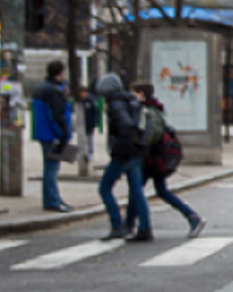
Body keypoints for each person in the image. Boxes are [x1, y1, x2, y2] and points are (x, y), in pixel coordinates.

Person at [123, 82, 205, 238]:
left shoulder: (148, 111)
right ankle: (192, 216)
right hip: (157, 157)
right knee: (159, 191)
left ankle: (129, 225)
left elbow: (151, 135)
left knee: (136, 190)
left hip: (150, 158)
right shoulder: (156, 108)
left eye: (134, 93)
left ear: (141, 94)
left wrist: (140, 145)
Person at [94, 73, 152, 241]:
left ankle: (117, 224)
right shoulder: (130, 100)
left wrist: (119, 150)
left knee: (104, 187)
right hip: (136, 151)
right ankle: (144, 227)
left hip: (124, 154)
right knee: (136, 191)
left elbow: (126, 126)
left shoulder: (115, 103)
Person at [31, 59, 73, 212]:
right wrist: (63, 134)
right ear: (60, 73)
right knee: (52, 169)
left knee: (50, 168)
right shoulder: (53, 91)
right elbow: (57, 115)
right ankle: (52, 201)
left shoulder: (42, 88)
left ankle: (54, 198)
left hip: (44, 134)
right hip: (52, 135)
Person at [78, 84, 99, 165]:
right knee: (84, 139)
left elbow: (95, 112)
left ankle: (90, 154)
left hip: (90, 124)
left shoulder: (90, 100)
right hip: (83, 124)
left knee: (90, 140)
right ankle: (83, 153)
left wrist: (94, 124)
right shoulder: (80, 101)